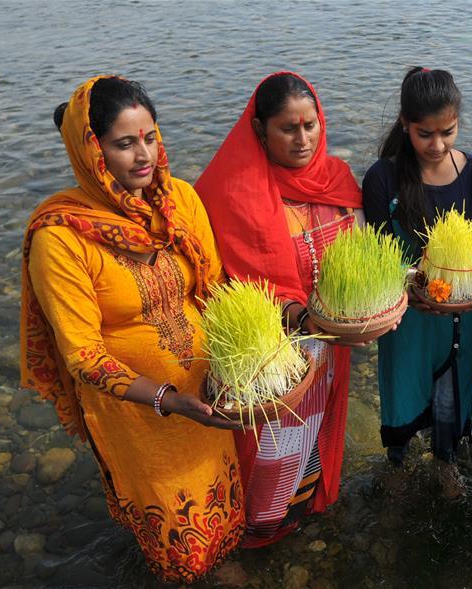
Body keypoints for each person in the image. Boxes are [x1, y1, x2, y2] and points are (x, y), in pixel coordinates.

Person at [19, 76, 245, 583]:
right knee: (175, 537)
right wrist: (168, 398)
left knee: (224, 510)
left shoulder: (179, 201)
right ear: (91, 150)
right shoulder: (61, 239)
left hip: (207, 391)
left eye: (150, 137)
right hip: (140, 416)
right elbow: (82, 355)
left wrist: (243, 364)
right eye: (124, 144)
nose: (144, 156)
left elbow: (213, 289)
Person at [196, 72, 362, 547]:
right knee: (269, 452)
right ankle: (258, 532)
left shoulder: (337, 179)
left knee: (317, 432)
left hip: (332, 344)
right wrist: (297, 315)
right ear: (259, 130)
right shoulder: (229, 193)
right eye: (288, 128)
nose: (303, 139)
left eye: (310, 125)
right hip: (268, 357)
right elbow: (220, 285)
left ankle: (304, 512)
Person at [363, 67, 472, 467]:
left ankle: (447, 465)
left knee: (452, 399)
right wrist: (410, 290)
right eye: (425, 134)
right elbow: (379, 257)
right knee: (404, 392)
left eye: (448, 132)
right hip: (408, 314)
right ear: (405, 124)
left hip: (461, 313)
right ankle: (398, 468)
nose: (437, 144)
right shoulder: (382, 178)